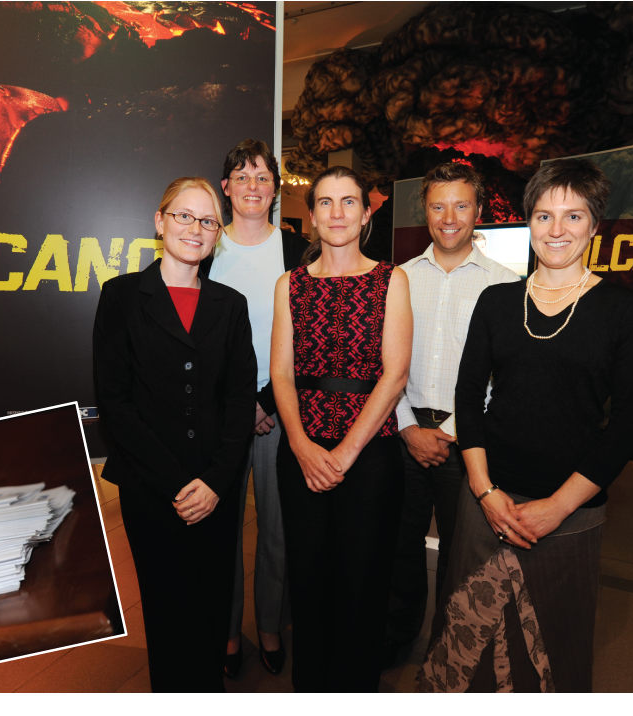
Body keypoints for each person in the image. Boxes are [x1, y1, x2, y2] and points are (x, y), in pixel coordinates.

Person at [420, 158, 633, 693]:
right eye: (544, 215)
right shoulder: (498, 301)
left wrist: (557, 507)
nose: (556, 230)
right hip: (488, 501)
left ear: (595, 225)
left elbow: (627, 425)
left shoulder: (625, 310)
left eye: (574, 216)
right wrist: (484, 491)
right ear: (529, 221)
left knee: (551, 647)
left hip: (570, 511)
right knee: (468, 641)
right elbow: (467, 397)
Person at [93, 177, 257, 693]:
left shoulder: (230, 305)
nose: (195, 228)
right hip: (149, 488)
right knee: (165, 615)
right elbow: (115, 403)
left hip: (216, 489)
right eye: (184, 216)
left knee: (211, 610)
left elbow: (239, 402)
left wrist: (215, 482)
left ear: (217, 235)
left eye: (207, 221)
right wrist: (176, 484)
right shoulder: (121, 296)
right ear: (159, 222)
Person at [270, 165, 413, 692]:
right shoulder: (290, 284)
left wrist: (346, 453)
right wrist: (302, 446)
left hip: (370, 456)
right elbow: (281, 374)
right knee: (308, 582)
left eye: (348, 202)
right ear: (311, 216)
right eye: (325, 203)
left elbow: (395, 375)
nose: (337, 213)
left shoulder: (391, 280)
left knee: (363, 585)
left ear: (366, 214)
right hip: (302, 453)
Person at [384, 162, 520, 666]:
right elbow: (384, 363)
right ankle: (396, 636)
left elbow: (507, 376)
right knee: (398, 546)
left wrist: (449, 431)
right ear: (425, 211)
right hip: (402, 430)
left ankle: (447, 648)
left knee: (462, 554)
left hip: (470, 440)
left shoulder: (506, 284)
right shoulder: (398, 279)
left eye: (461, 205)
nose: (449, 217)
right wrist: (407, 426)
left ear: (478, 210)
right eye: (438, 206)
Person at [200, 140, 307, 678]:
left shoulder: (297, 250)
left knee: (278, 527)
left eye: (263, 177)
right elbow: (194, 339)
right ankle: (225, 632)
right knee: (219, 528)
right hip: (220, 412)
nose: (252, 186)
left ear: (275, 189)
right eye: (241, 176)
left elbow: (309, 334)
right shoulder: (204, 246)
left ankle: (269, 624)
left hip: (281, 408)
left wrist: (264, 402)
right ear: (225, 187)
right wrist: (239, 404)